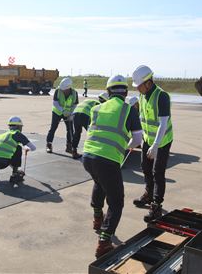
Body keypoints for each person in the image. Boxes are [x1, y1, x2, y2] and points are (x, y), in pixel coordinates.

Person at [82, 75, 143, 258]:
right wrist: (125, 146)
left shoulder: (97, 108)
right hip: (108, 160)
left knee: (99, 183)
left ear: (108, 92)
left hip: (88, 157)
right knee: (116, 202)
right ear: (125, 92)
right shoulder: (129, 110)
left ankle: (97, 218)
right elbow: (138, 139)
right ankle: (104, 242)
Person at [131, 65, 174, 223]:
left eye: (139, 86)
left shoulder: (161, 96)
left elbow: (163, 123)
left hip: (162, 141)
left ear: (148, 83)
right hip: (148, 139)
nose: (137, 89)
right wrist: (141, 139)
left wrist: (156, 145)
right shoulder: (143, 96)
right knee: (145, 167)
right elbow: (144, 119)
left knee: (158, 172)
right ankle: (148, 194)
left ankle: (156, 205)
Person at [0, 116, 37, 185]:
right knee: (18, 148)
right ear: (18, 126)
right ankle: (14, 175)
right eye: (21, 127)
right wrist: (27, 148)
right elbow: (33, 148)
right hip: (2, 163)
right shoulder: (17, 134)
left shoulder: (0, 135)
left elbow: (0, 152)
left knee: (2, 153)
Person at [70, 92, 109, 159]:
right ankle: (90, 153)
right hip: (85, 115)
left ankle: (74, 151)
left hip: (75, 113)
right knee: (91, 134)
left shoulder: (89, 100)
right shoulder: (99, 105)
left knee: (77, 132)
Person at [46, 77, 78, 154]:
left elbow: (75, 104)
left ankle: (69, 146)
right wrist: (63, 111)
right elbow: (55, 103)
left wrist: (71, 114)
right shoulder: (58, 91)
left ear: (69, 87)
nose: (63, 90)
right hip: (57, 112)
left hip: (68, 114)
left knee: (70, 130)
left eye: (64, 89)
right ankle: (49, 144)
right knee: (53, 128)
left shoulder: (74, 93)